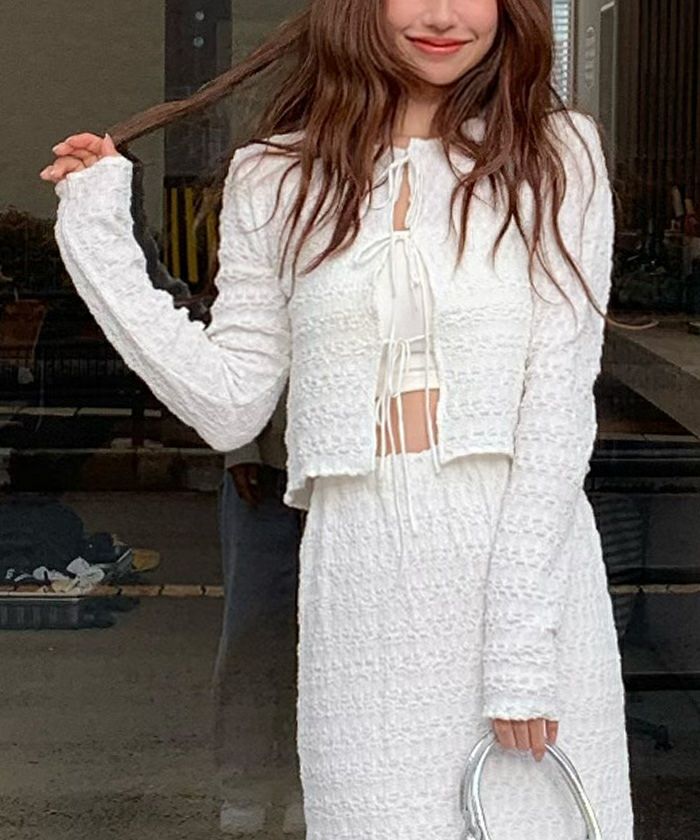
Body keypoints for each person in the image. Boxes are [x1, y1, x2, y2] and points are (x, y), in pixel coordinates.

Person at [39, 1, 635, 836]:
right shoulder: (275, 175)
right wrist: (97, 231)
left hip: (525, 579)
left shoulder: (555, 155)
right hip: (361, 581)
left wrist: (523, 655)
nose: (443, 15)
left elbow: (557, 413)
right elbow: (226, 403)